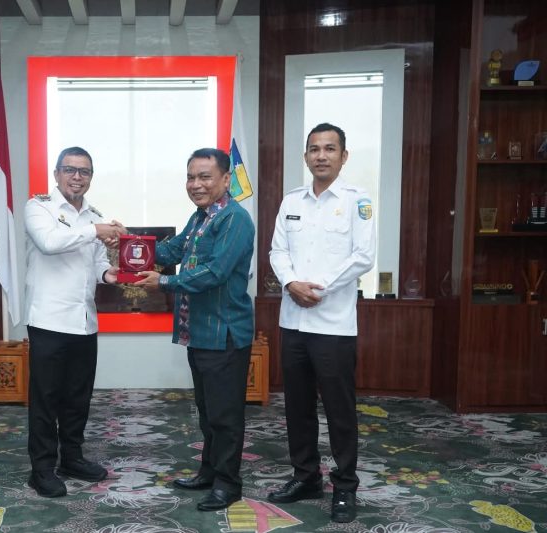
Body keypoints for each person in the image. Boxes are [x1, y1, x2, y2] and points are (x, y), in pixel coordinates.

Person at [267, 123, 376, 523]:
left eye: (330, 149)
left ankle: (345, 485)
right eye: (314, 149)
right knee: (297, 407)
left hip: (332, 325)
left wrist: (319, 288)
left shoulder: (356, 200)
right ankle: (306, 476)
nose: (321, 156)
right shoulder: (291, 200)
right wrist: (292, 283)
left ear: (343, 156)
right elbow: (277, 250)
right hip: (293, 321)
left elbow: (363, 257)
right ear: (306, 156)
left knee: (339, 410)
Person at [136, 148, 255, 512]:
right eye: (191, 177)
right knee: (207, 412)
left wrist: (165, 282)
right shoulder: (201, 217)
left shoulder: (235, 219)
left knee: (225, 415)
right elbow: (173, 249)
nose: (196, 184)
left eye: (205, 176)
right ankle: (209, 471)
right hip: (199, 333)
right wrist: (131, 245)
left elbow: (215, 272)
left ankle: (228, 483)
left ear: (224, 179)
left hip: (225, 334)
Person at [24, 146, 126, 498]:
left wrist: (111, 275)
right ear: (56, 174)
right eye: (70, 170)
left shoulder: (93, 215)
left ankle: (72, 458)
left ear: (91, 177)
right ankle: (41, 468)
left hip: (84, 323)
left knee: (77, 398)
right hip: (49, 321)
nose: (77, 177)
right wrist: (95, 230)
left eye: (84, 171)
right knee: (45, 399)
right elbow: (50, 243)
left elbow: (97, 263)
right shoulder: (39, 207)